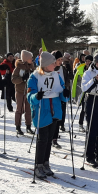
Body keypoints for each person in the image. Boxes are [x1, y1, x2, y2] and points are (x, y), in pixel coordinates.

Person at [27, 51, 68, 179]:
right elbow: (30, 97)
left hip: (54, 110)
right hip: (42, 110)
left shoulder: (56, 75)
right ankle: (38, 165)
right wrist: (36, 96)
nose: (55, 64)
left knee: (49, 139)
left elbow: (61, 91)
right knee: (42, 139)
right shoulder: (34, 77)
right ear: (45, 64)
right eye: (52, 63)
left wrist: (65, 94)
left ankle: (46, 163)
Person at [12, 50, 35, 135]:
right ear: (26, 59)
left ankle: (28, 126)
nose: (32, 59)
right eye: (30, 58)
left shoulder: (32, 67)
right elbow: (13, 79)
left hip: (29, 91)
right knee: (19, 109)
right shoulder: (18, 68)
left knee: (29, 109)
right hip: (20, 91)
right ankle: (18, 126)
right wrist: (22, 79)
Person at [52, 51, 70, 145]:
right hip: (51, 96)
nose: (60, 61)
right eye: (58, 59)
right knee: (52, 117)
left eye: (61, 59)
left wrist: (66, 87)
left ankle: (55, 137)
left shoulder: (63, 68)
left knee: (59, 116)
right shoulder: (50, 68)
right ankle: (50, 137)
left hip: (61, 95)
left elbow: (67, 78)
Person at [72, 54, 93, 132]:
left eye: (89, 61)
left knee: (89, 109)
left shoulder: (93, 71)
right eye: (86, 61)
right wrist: (74, 93)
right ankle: (80, 124)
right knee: (83, 109)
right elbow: (75, 82)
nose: (87, 62)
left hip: (91, 93)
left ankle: (89, 124)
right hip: (82, 92)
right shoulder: (80, 69)